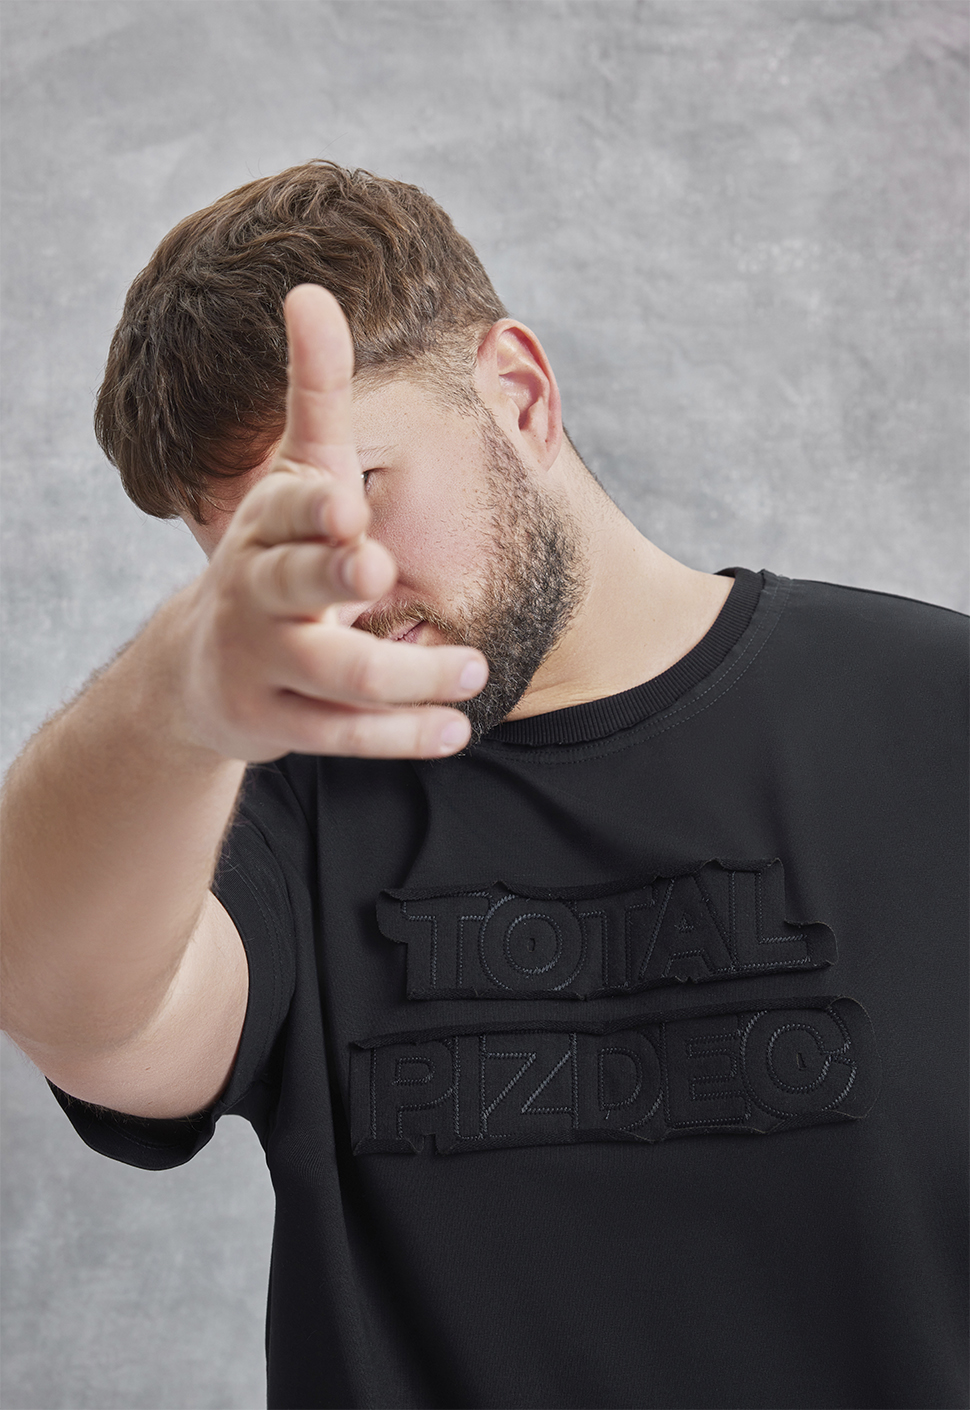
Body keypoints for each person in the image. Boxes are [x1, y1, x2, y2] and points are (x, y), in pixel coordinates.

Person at [1, 160, 966, 1410]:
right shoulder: (262, 806)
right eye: (253, 548)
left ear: (518, 396)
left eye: (358, 492)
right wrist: (174, 696)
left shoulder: (934, 714)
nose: (336, 588)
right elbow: (75, 1011)